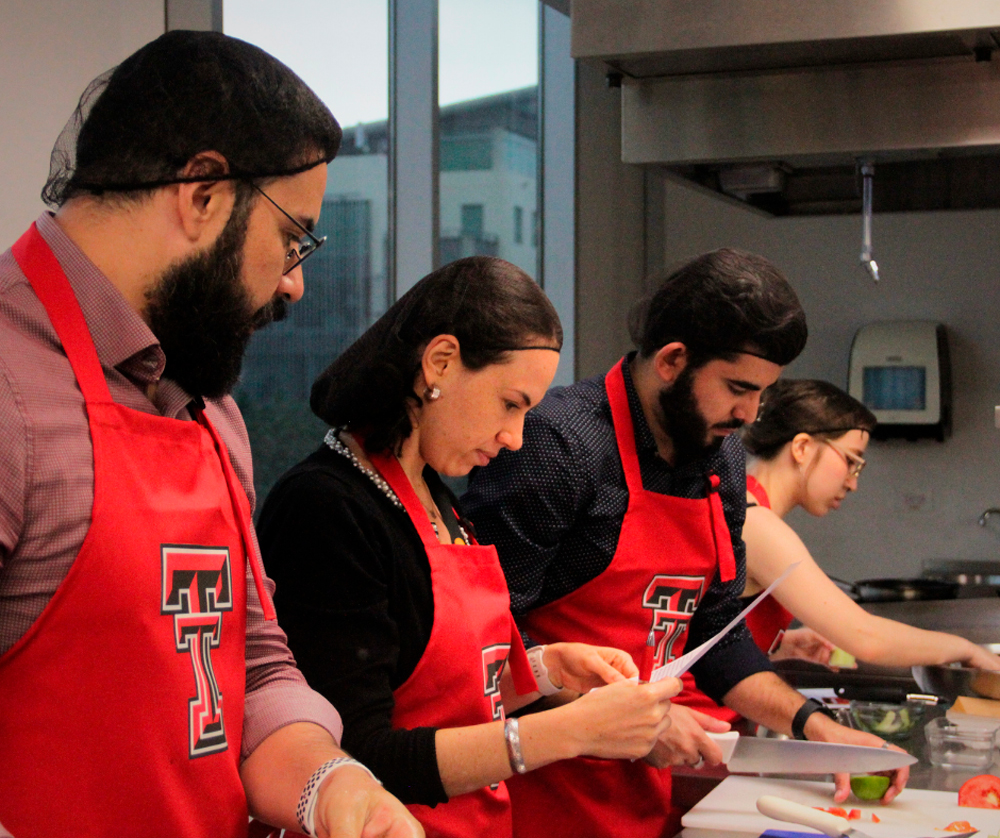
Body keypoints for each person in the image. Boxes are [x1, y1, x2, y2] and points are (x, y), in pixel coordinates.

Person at [0, 31, 421, 838]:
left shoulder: (207, 408)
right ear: (201, 193)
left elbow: (252, 664)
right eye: (293, 237)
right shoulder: (11, 386)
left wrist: (335, 791)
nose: (294, 283)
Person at [463, 248, 911, 838]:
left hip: (636, 802)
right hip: (529, 801)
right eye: (737, 388)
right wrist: (630, 722)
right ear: (673, 360)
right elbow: (484, 645)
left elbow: (715, 630)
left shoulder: (717, 456)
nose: (749, 414)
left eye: (761, 394)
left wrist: (813, 726)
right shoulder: (558, 446)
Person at [256, 256, 680, 838]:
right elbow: (358, 755)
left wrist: (547, 669)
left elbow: (452, 694)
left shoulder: (437, 496)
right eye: (511, 404)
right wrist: (569, 732)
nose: (515, 438)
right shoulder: (325, 507)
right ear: (441, 363)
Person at [672, 378, 1000, 723]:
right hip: (697, 726)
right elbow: (866, 637)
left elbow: (703, 626)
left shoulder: (745, 507)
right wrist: (967, 650)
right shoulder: (756, 523)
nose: (853, 482)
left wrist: (778, 645)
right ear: (801, 447)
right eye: (851, 461)